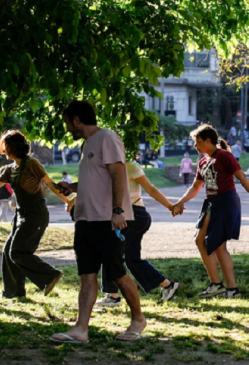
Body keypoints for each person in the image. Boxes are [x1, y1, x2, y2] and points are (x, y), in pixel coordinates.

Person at [51, 100, 144, 344]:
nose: (68, 129)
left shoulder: (107, 137)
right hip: (85, 219)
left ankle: (138, 320)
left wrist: (117, 211)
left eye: (68, 123)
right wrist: (72, 187)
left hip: (108, 220)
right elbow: (96, 180)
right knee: (87, 275)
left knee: (117, 273)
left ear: (77, 120)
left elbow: (117, 175)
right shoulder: (87, 145)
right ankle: (81, 329)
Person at [0, 130, 70, 298]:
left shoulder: (32, 163)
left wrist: (68, 201)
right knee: (8, 253)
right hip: (21, 214)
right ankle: (14, 293)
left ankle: (50, 276)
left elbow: (51, 185)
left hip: (36, 214)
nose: (3, 149)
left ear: (12, 147)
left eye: (5, 146)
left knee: (17, 252)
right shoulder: (10, 170)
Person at [171, 124, 249, 299]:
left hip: (225, 202)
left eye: (198, 142)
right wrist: (180, 202)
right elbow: (195, 187)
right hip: (211, 204)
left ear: (209, 141)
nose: (196, 146)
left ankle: (231, 289)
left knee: (218, 245)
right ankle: (217, 284)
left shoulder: (224, 156)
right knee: (201, 240)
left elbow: (242, 177)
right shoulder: (203, 161)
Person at [73, 158, 180, 307]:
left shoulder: (129, 165)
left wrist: (170, 206)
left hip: (133, 215)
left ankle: (112, 296)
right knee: (131, 258)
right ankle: (167, 285)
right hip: (132, 217)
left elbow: (150, 189)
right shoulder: (108, 167)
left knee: (109, 251)